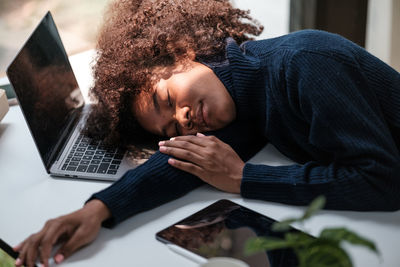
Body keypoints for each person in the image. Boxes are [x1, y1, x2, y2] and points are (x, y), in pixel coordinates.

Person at [14, 0, 400, 266]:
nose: (184, 120)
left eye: (167, 99)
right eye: (172, 129)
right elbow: (184, 163)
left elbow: (383, 181)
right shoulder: (240, 99)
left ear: (184, 50)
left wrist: (244, 179)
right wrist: (96, 211)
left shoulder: (303, 65)